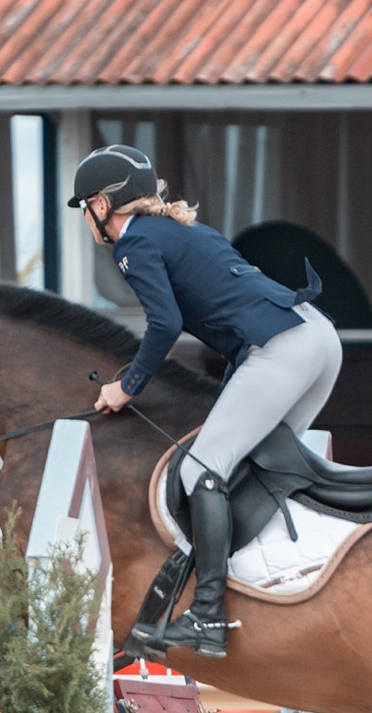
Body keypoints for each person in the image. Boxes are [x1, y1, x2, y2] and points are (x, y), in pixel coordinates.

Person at [68, 144, 342, 660]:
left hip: (281, 347)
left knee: (202, 471)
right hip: (319, 337)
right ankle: (282, 581)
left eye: (85, 207)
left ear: (102, 206)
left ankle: (209, 615)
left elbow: (165, 324)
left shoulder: (133, 243)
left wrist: (127, 386)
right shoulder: (183, 229)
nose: (86, 219)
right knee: (261, 465)